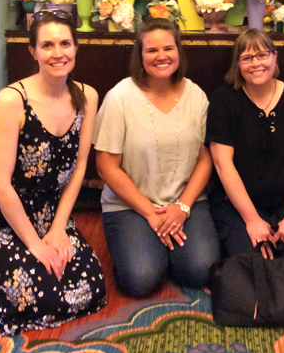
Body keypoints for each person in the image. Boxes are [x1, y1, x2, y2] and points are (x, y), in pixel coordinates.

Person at [0, 9, 107, 336]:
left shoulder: (87, 96)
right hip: (3, 216)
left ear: (75, 48)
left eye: (65, 43)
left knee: (92, 288)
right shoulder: (10, 101)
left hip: (50, 214)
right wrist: (35, 245)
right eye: (47, 45)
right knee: (41, 298)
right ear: (33, 52)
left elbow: (81, 168)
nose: (57, 53)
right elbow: (0, 186)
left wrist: (58, 230)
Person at [93, 17, 219, 297]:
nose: (161, 56)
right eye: (151, 50)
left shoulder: (196, 95)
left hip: (185, 202)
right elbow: (106, 166)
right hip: (130, 205)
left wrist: (182, 208)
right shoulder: (119, 97)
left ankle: (165, 247)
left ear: (179, 52)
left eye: (168, 48)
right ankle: (149, 248)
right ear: (140, 56)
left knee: (201, 271)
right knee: (141, 280)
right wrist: (150, 213)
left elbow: (205, 158)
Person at [206, 28, 284, 259]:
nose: (255, 64)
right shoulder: (223, 100)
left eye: (262, 55)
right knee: (252, 258)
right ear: (238, 64)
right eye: (247, 58)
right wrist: (252, 220)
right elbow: (222, 164)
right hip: (238, 206)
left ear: (274, 57)